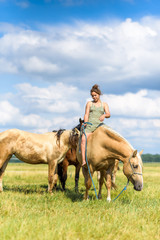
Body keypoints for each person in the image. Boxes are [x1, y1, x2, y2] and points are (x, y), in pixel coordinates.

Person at [81, 84, 110, 166]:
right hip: (90, 124)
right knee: (83, 139)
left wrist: (104, 115)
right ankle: (83, 160)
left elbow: (108, 114)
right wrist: (85, 123)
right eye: (92, 96)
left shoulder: (104, 104)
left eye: (95, 95)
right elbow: (86, 114)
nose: (94, 97)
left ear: (99, 94)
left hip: (100, 125)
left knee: (110, 135)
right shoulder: (89, 103)